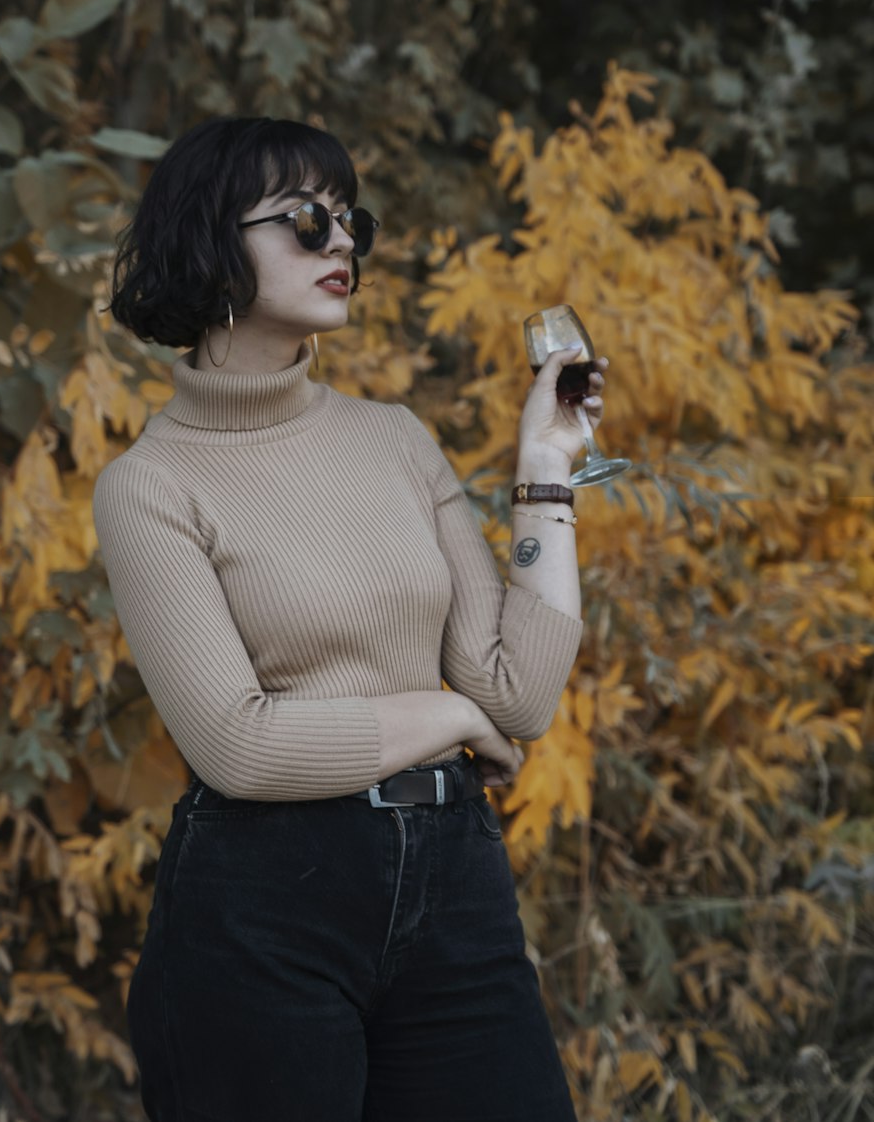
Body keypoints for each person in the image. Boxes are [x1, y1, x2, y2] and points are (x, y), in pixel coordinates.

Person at [93, 116, 607, 1122]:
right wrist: (450, 720)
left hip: (453, 883)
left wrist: (546, 471)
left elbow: (519, 689)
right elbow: (239, 744)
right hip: (261, 904)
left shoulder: (393, 437)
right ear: (209, 238)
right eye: (307, 221)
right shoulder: (148, 484)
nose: (343, 245)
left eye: (350, 222)